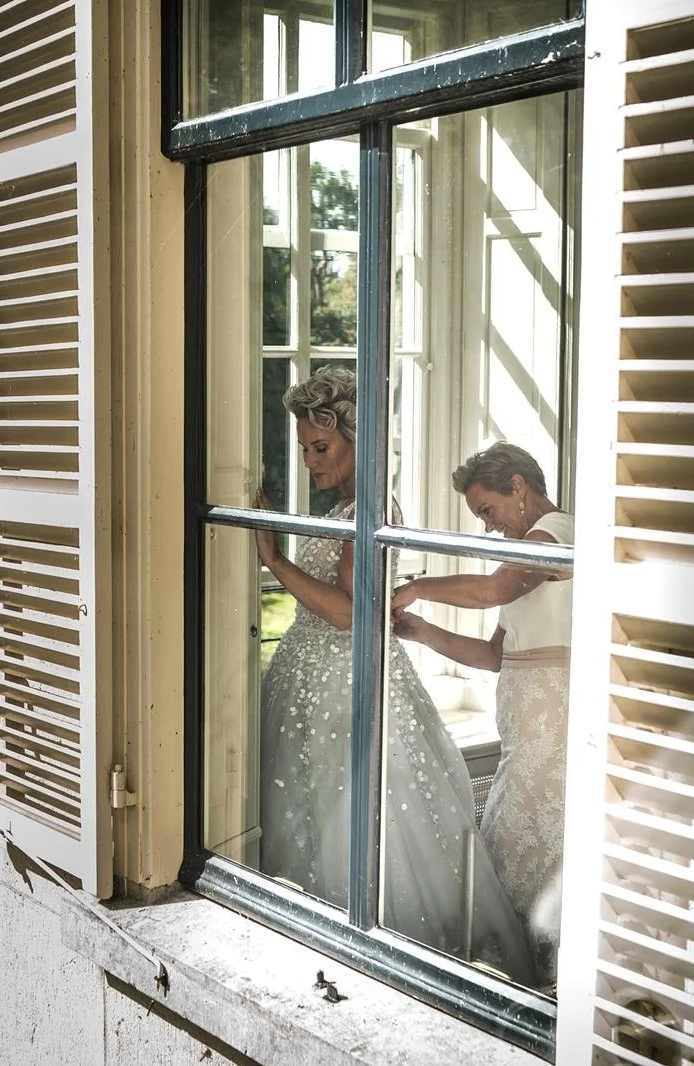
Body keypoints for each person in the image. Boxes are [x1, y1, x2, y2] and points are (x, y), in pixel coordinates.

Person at [253, 368, 533, 981]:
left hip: (346, 686)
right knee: (313, 820)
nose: (308, 461)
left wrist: (274, 559)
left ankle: (366, 965)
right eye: (303, 448)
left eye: (320, 447)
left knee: (355, 825)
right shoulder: (351, 505)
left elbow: (353, 615)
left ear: (358, 439)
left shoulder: (373, 505)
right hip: (315, 687)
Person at [390, 441, 573, 986]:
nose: (489, 527)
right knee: (514, 851)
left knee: (512, 850)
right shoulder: (528, 555)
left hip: (552, 731)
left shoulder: (558, 536)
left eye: (487, 511)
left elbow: (492, 590)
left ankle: (533, 975)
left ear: (518, 487)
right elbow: (495, 655)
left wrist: (418, 588)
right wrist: (423, 632)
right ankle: (527, 973)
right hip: (525, 732)